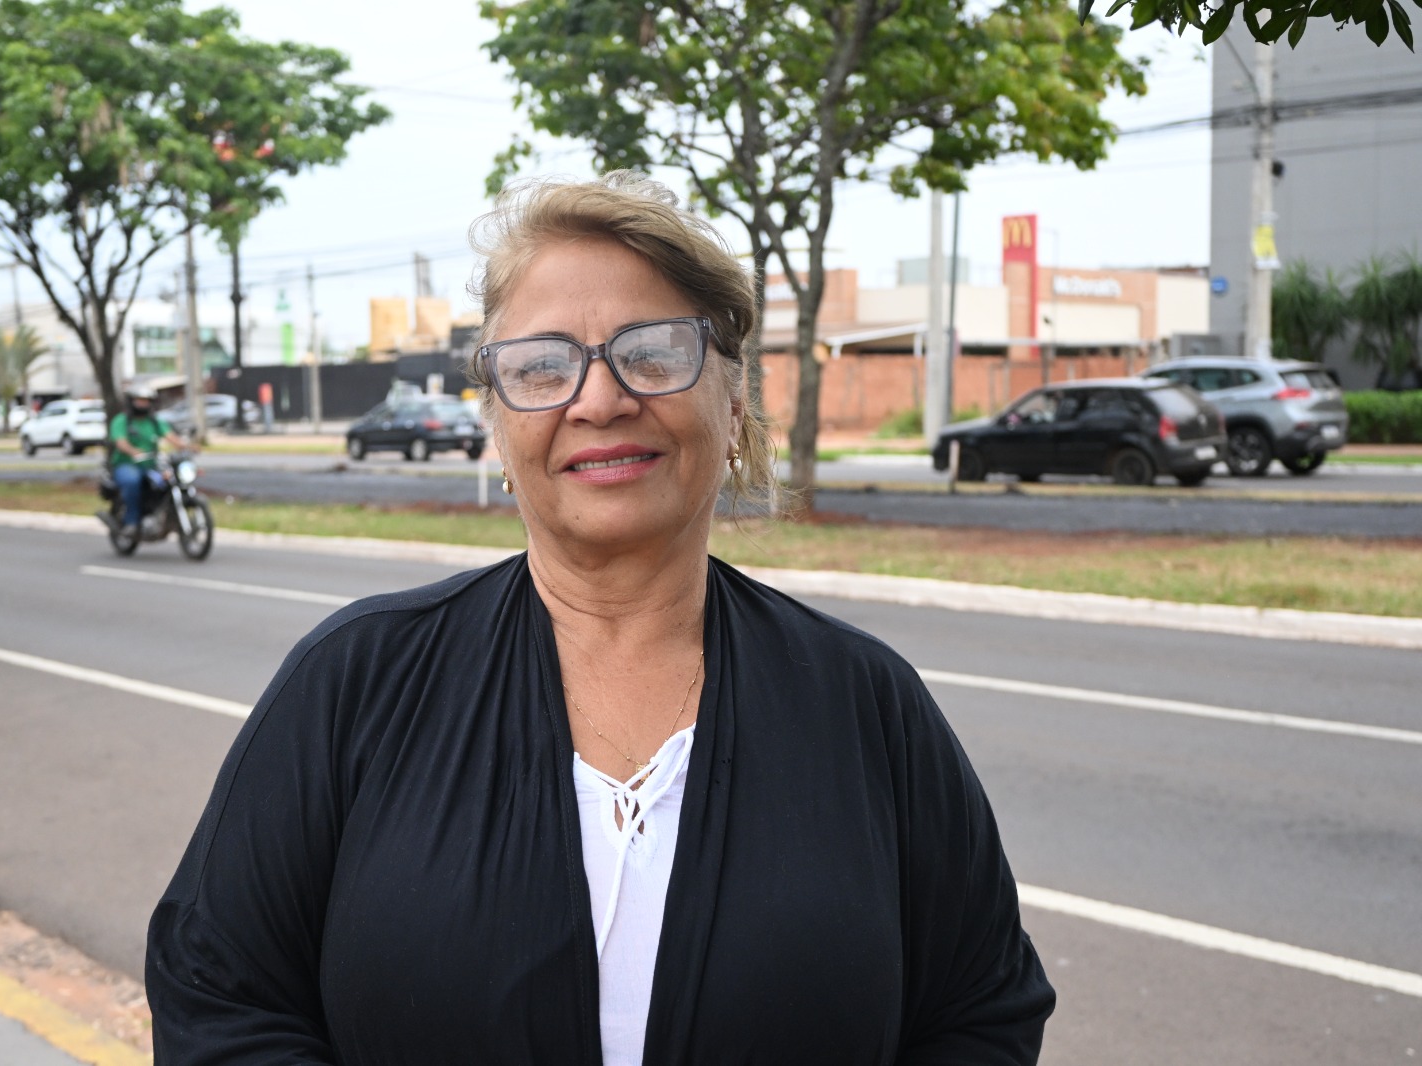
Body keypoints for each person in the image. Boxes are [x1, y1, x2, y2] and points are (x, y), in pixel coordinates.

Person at [146, 173, 1053, 1065]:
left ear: (733, 398)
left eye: (652, 352)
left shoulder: (863, 700)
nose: (600, 399)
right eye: (542, 366)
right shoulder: (358, 678)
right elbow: (219, 993)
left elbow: (982, 1006)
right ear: (499, 424)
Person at [107, 386, 190, 533]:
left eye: (146, 401)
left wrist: (186, 446)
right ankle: (131, 522)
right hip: (126, 464)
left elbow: (170, 437)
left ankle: (159, 514)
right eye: (140, 400)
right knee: (132, 481)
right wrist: (134, 452)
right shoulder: (121, 421)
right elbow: (120, 442)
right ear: (131, 402)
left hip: (150, 465)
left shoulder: (155, 422)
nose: (143, 404)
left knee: (167, 481)